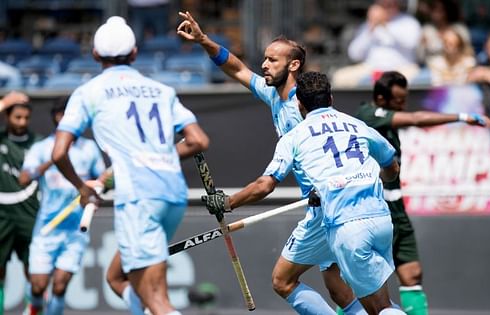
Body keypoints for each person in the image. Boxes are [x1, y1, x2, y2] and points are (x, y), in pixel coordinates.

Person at [177, 11, 365, 315]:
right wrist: (203, 40)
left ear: (293, 65)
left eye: (272, 60)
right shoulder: (273, 94)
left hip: (330, 203)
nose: (264, 64)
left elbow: (269, 183)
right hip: (329, 202)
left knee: (285, 281)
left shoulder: (302, 108)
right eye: (264, 59)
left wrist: (229, 202)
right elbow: (236, 67)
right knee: (336, 285)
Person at [202, 71, 404, 315]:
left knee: (380, 307)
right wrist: (376, 179)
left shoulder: (294, 137)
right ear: (330, 98)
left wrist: (227, 202)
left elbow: (265, 185)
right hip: (381, 219)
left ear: (298, 104)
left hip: (346, 225)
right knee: (285, 279)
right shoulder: (357, 125)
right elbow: (391, 165)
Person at [51, 16, 209, 315]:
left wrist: (83, 188)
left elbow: (59, 152)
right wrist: (154, 158)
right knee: (117, 277)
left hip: (139, 198)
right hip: (173, 194)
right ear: (135, 53)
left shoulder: (88, 92)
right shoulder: (161, 90)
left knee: (157, 299)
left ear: (95, 55)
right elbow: (198, 140)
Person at [354, 71, 490, 315]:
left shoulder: (388, 120)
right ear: (381, 98)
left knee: (412, 274)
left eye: (405, 99)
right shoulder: (368, 115)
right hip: (374, 212)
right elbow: (417, 119)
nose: (403, 105)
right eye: (398, 101)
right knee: (360, 284)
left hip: (398, 211)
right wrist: (463, 117)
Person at [19, 99, 107, 315]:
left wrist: (95, 196)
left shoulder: (89, 148)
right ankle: (35, 306)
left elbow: (101, 181)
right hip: (47, 227)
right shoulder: (42, 148)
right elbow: (24, 178)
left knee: (60, 285)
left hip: (75, 230)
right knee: (38, 286)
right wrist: (55, 159)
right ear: (58, 117)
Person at [0, 91, 41, 315]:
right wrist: (6, 101)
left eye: (26, 117)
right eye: (17, 117)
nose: (22, 122)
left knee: (35, 274)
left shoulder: (38, 143)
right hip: (1, 216)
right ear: (7, 116)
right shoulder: (1, 139)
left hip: (30, 214)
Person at [332, 0, 422, 87]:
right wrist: (371, 28)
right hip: (371, 68)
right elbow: (354, 54)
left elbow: (411, 44)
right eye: (383, 3)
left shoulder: (409, 22)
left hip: (403, 68)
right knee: (339, 77)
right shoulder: (367, 26)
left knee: (404, 80)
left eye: (390, 3)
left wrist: (385, 25)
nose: (387, 5)